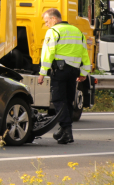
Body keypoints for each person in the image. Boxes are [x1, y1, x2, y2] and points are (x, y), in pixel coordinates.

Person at [37, 8, 91, 144]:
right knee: (67, 100)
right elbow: (84, 53)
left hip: (60, 71)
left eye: (47, 21)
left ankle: (67, 131)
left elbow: (48, 53)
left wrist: (42, 73)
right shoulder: (77, 31)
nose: (46, 25)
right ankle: (63, 130)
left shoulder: (53, 31)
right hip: (73, 71)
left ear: (54, 19)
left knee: (58, 100)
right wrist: (84, 72)